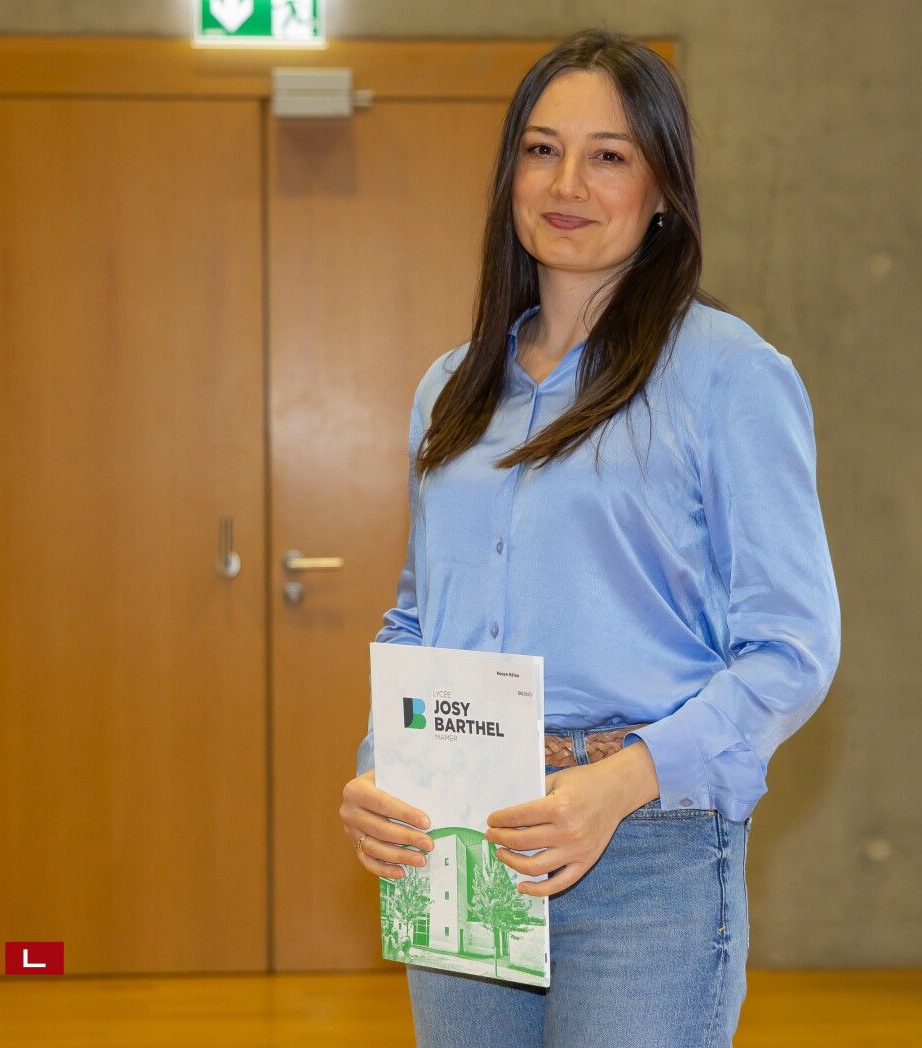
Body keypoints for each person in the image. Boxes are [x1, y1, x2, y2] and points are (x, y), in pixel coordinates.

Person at [337, 26, 840, 1048]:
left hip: (646, 847)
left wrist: (617, 785)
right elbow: (420, 618)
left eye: (608, 154)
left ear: (662, 190)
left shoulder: (730, 376)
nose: (567, 183)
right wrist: (382, 764)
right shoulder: (450, 388)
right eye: (541, 149)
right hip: (461, 828)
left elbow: (793, 649)